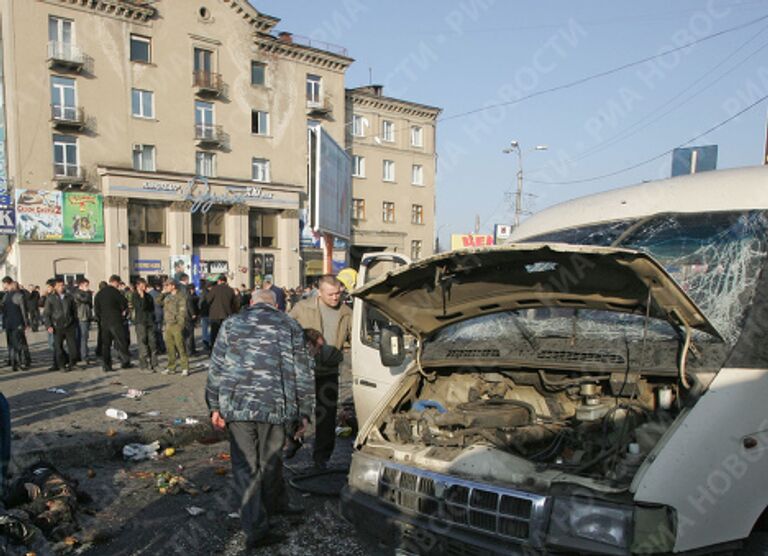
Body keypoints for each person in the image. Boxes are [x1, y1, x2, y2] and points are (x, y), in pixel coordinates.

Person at [206, 288, 313, 549]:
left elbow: (216, 366)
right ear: (276, 304)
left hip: (237, 406)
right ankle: (271, 510)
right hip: (275, 406)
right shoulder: (289, 324)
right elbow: (303, 371)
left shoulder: (231, 324)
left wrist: (213, 406)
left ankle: (258, 524)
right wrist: (305, 411)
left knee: (246, 467)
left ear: (250, 303)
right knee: (270, 460)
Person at [289, 274, 352, 470]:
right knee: (298, 411)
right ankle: (293, 442)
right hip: (304, 372)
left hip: (330, 371)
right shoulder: (302, 308)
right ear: (319, 291)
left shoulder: (346, 312)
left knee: (326, 416)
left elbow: (353, 337)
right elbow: (287, 331)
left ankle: (321, 457)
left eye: (338, 294)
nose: (335, 298)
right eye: (330, 294)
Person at [94, 275, 131, 373]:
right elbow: (124, 303)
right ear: (116, 282)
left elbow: (96, 309)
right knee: (121, 341)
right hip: (116, 320)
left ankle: (106, 365)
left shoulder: (99, 293)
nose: (119, 285)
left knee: (105, 345)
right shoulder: (116, 292)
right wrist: (122, 312)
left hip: (104, 322)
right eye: (118, 283)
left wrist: (100, 318)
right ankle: (125, 362)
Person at [43, 278, 78, 372]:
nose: (61, 287)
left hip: (69, 325)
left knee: (73, 347)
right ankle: (61, 365)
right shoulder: (50, 298)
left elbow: (74, 311)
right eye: (59, 285)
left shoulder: (69, 297)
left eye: (62, 285)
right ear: (54, 287)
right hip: (57, 326)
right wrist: (48, 325)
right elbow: (46, 313)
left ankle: (72, 363)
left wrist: (74, 323)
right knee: (58, 347)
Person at [157, 279, 189, 376]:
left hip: (176, 325)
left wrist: (180, 325)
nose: (165, 287)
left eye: (167, 285)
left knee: (180, 347)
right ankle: (171, 367)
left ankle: (185, 367)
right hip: (168, 324)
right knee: (169, 347)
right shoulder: (167, 296)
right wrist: (162, 293)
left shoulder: (181, 296)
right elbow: (158, 301)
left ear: (173, 286)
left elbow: (183, 312)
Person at [1, 277, 29, 372]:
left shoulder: (5, 297)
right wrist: (26, 323)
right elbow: (23, 311)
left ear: (6, 284)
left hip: (9, 324)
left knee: (11, 344)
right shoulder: (18, 296)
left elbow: (3, 311)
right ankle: (20, 362)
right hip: (17, 323)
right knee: (18, 344)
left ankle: (13, 363)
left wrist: (4, 323)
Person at [131, 278, 158, 373]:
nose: (144, 287)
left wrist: (153, 320)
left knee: (153, 343)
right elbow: (141, 307)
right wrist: (142, 296)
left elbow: (151, 309)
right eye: (142, 286)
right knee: (143, 344)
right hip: (141, 322)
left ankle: (154, 364)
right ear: (137, 286)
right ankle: (143, 366)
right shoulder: (134, 296)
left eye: (145, 285)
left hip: (150, 322)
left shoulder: (149, 296)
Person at [205, 275, 239, 349]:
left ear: (219, 281)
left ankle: (213, 349)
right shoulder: (230, 290)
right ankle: (226, 348)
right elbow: (235, 303)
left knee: (214, 333)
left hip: (215, 315)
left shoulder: (214, 289)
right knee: (226, 333)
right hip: (227, 314)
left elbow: (208, 300)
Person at [73, 278, 93, 364]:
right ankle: (84, 356)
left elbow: (90, 304)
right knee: (83, 337)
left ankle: (81, 354)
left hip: (86, 317)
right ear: (81, 285)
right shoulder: (78, 293)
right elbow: (84, 300)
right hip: (81, 317)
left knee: (84, 337)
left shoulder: (85, 294)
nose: (87, 287)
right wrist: (88, 293)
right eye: (86, 285)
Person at [178, 273, 198, 356]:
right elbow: (188, 302)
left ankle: (181, 351)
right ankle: (189, 351)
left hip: (179, 314)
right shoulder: (185, 288)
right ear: (185, 279)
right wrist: (193, 313)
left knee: (181, 333)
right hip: (186, 314)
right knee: (189, 333)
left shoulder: (177, 286)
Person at [148, 282, 166, 354]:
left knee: (156, 333)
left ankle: (159, 348)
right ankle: (162, 347)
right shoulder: (158, 293)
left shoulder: (149, 295)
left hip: (154, 315)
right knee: (159, 332)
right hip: (160, 314)